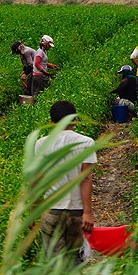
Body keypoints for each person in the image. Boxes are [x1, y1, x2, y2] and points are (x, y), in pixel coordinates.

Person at [33, 100, 96, 263]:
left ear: (52, 123)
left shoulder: (41, 144)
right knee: (75, 260)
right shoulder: (86, 142)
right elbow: (86, 178)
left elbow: (37, 179)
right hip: (76, 211)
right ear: (75, 120)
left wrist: (33, 211)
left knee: (53, 262)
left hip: (52, 210)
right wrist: (88, 212)